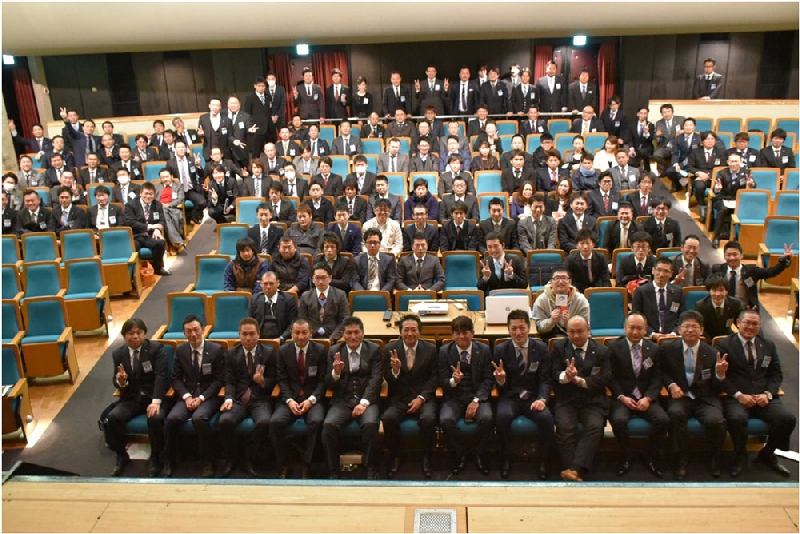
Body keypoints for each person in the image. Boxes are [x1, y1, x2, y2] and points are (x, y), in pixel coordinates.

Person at [715, 309, 796, 477]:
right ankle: (740, 455)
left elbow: (776, 374)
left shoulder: (768, 345)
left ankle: (767, 453)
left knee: (787, 419)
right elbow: (721, 377)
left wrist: (768, 394)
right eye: (747, 323)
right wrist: (738, 395)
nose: (750, 327)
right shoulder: (724, 345)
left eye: (755, 324)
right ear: (738, 323)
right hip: (737, 396)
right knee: (737, 419)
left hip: (763, 396)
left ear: (759, 326)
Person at [660, 311, 726, 480]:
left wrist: (719, 375)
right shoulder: (668, 348)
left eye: (694, 327)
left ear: (701, 330)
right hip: (680, 396)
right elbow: (662, 372)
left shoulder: (712, 353)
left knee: (716, 421)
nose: (690, 330)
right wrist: (671, 385)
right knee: (675, 414)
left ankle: (715, 458)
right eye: (686, 326)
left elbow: (717, 387)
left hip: (705, 398)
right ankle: (681, 459)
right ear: (679, 329)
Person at [493, 309, 554, 480]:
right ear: (508, 330)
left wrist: (542, 399)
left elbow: (546, 379)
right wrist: (501, 380)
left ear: (529, 327)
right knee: (502, 417)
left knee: (546, 418)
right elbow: (499, 383)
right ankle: (505, 459)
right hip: (510, 396)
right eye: (514, 328)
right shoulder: (500, 350)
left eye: (522, 328)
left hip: (533, 397)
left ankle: (544, 460)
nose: (518, 332)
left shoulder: (541, 348)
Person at [607, 313, 668, 478]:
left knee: (663, 420)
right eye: (631, 328)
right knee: (618, 421)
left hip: (646, 397)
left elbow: (657, 378)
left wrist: (648, 398)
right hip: (623, 397)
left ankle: (649, 454)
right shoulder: (613, 347)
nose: (635, 332)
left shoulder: (654, 348)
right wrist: (621, 397)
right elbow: (610, 377)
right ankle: (627, 455)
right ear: (624, 328)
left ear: (646, 329)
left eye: (639, 328)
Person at [162, 316, 225, 478]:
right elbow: (175, 379)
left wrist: (202, 398)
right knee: (172, 419)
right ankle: (169, 459)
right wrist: (187, 397)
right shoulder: (180, 351)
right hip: (188, 395)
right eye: (189, 331)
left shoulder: (216, 350)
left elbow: (219, 380)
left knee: (199, 418)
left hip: (209, 396)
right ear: (184, 333)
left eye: (196, 330)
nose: (193, 334)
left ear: (203, 330)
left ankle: (208, 460)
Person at [551, 316, 611, 482]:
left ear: (588, 331)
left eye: (580, 331)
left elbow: (606, 377)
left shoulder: (602, 350)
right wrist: (566, 376)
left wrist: (582, 381)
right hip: (567, 399)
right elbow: (553, 372)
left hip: (592, 400)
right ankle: (573, 470)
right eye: (571, 332)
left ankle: (573, 469)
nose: (576, 336)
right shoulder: (559, 347)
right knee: (565, 426)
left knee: (595, 426)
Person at [323, 316, 383, 479]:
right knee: (329, 426)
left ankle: (371, 468)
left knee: (370, 425)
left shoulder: (374, 349)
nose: (353, 336)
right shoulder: (334, 351)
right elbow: (327, 382)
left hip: (367, 399)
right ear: (343, 334)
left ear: (363, 333)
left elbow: (376, 379)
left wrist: (364, 403)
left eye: (356, 332)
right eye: (348, 333)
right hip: (342, 400)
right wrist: (336, 373)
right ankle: (333, 471)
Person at [106, 318, 168, 477]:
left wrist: (156, 402)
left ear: (144, 334)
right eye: (131, 333)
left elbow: (161, 376)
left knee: (155, 418)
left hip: (153, 397)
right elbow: (116, 381)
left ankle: (156, 457)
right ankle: (121, 455)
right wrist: (121, 381)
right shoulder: (118, 354)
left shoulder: (156, 349)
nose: (135, 337)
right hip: (132, 398)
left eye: (139, 333)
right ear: (124, 335)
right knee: (113, 417)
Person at [218, 318, 278, 478]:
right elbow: (229, 381)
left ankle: (248, 458)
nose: (248, 338)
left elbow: (274, 379)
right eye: (244, 334)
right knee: (225, 421)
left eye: (252, 334)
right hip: (238, 399)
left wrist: (262, 381)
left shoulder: (269, 352)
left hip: (260, 398)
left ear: (258, 334)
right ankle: (231, 458)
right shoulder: (231, 354)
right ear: (239, 335)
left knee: (264, 422)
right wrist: (228, 399)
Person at [382, 315, 438, 478]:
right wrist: (396, 371)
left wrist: (421, 398)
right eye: (406, 330)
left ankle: (427, 457)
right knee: (388, 418)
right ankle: (394, 456)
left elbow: (434, 378)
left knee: (428, 419)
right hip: (399, 397)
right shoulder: (390, 349)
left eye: (414, 330)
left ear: (420, 331)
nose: (410, 334)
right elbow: (387, 378)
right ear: (400, 332)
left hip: (423, 398)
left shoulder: (431, 349)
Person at [270, 318, 328, 479]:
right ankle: (284, 464)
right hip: (290, 398)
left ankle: (307, 465)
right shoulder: (283, 351)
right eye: (297, 333)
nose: (300, 337)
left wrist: (311, 400)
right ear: (291, 333)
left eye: (304, 333)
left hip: (312, 398)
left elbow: (323, 381)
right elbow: (282, 380)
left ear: (311, 333)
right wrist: (289, 401)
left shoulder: (320, 351)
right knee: (275, 422)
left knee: (317, 421)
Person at [438, 315, 494, 476]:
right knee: (445, 420)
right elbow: (442, 380)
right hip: (454, 396)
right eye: (457, 333)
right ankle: (460, 453)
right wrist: (453, 381)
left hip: (477, 396)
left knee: (487, 418)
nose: (461, 336)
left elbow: (488, 379)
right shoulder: (444, 351)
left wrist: (476, 400)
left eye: (465, 332)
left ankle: (478, 453)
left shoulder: (483, 350)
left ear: (472, 333)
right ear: (452, 335)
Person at [711, 241, 794, 310]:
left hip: (744, 309)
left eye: (735, 254)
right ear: (724, 256)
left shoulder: (751, 271)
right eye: (729, 255)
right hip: (723, 308)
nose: (732, 258)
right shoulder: (718, 270)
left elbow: (770, 272)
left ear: (741, 255)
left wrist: (784, 262)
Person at [631, 258, 685, 339]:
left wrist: (674, 333)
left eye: (666, 271)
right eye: (659, 270)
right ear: (653, 271)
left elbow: (682, 316)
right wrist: (651, 334)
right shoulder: (641, 291)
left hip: (672, 337)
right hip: (648, 337)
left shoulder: (678, 292)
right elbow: (637, 316)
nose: (661, 274)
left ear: (671, 274)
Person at [124, 182, 170, 276]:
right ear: (141, 193)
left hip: (149, 236)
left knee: (160, 243)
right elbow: (131, 222)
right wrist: (150, 226)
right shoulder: (130, 205)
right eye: (146, 193)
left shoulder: (157, 205)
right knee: (134, 247)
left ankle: (158, 268)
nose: (148, 196)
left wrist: (157, 230)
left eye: (151, 194)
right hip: (136, 236)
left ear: (154, 195)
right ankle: (133, 274)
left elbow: (162, 220)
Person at [299, 263, 350, 342]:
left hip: (334, 336)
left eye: (323, 278)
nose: (320, 282)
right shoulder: (305, 296)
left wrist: (333, 337)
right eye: (317, 278)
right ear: (312, 279)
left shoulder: (340, 295)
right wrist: (308, 335)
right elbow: (302, 319)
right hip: (311, 337)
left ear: (330, 278)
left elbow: (344, 319)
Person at [248, 271, 297, 343]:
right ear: (261, 284)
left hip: (282, 340)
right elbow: (250, 322)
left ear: (278, 283)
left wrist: (282, 338)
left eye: (271, 283)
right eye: (265, 284)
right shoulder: (254, 300)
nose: (268, 287)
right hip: (259, 340)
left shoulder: (289, 300)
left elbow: (293, 323)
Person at [687, 131, 727, 219]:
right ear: (702, 141)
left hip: (716, 177)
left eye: (712, 139)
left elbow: (723, 167)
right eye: (707, 139)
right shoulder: (695, 152)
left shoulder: (721, 152)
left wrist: (709, 175)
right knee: (699, 185)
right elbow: (689, 166)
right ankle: (702, 206)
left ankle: (715, 207)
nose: (710, 141)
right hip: (699, 177)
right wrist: (699, 173)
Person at [694, 275, 743, 341]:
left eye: (721, 290)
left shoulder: (735, 304)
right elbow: (700, 328)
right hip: (708, 340)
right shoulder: (701, 306)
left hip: (728, 338)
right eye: (714, 290)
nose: (718, 294)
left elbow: (741, 323)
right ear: (709, 291)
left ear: (726, 291)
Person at [566, 228, 611, 292]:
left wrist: (605, 291)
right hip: (578, 291)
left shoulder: (601, 257)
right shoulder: (570, 259)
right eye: (582, 243)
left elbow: (605, 278)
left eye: (588, 243)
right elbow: (569, 279)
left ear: (593, 244)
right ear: (577, 245)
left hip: (598, 290)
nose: (585, 247)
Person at [153, 168, 186, 254]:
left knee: (166, 217)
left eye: (167, 177)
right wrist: (160, 206)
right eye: (162, 177)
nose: (165, 179)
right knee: (164, 213)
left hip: (173, 208)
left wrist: (168, 205)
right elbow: (153, 199)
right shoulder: (156, 186)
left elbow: (180, 199)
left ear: (171, 176)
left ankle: (171, 244)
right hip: (159, 209)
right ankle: (176, 242)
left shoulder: (179, 185)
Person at [353, 228, 396, 292]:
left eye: (375, 242)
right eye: (370, 242)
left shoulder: (388, 260)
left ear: (380, 244)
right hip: (363, 293)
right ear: (365, 244)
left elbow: (391, 281)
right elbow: (355, 281)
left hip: (382, 293)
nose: (372, 245)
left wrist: (381, 294)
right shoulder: (357, 260)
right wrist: (363, 294)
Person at [666, 117, 700, 192]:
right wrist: (676, 164)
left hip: (695, 163)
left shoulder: (699, 138)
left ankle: (690, 185)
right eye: (686, 125)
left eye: (690, 125)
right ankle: (677, 185)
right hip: (682, 162)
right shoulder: (678, 138)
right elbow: (675, 153)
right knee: (669, 171)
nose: (688, 127)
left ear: (694, 127)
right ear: (683, 127)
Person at [243, 76, 273, 156]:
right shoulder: (250, 98)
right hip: (257, 129)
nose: (261, 88)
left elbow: (270, 111)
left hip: (269, 129)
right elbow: (247, 114)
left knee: (271, 151)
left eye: (263, 86)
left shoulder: (268, 97)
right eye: (259, 86)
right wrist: (250, 126)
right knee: (256, 153)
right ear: (255, 86)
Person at [653, 103, 686, 174]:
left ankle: (673, 171)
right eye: (664, 112)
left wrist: (683, 131)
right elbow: (658, 140)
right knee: (656, 155)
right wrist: (657, 136)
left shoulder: (681, 119)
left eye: (668, 111)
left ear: (672, 112)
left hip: (679, 146)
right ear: (661, 114)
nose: (667, 114)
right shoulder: (659, 123)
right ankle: (666, 168)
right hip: (666, 147)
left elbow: (688, 129)